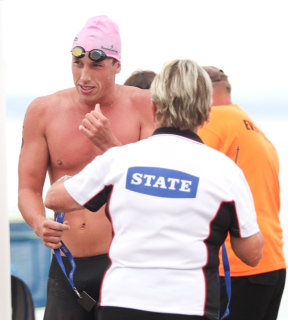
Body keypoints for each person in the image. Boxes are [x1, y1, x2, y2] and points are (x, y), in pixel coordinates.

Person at [44, 59, 264, 320]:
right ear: (207, 112)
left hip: (121, 303)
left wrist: (65, 178)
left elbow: (55, 199)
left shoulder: (120, 159)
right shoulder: (226, 172)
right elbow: (251, 255)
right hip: (189, 306)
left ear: (154, 106)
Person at [18, 15, 155, 320]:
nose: (84, 76)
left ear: (117, 65)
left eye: (96, 65)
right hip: (68, 266)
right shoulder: (43, 111)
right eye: (78, 64)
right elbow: (28, 188)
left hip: (124, 265)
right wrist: (39, 223)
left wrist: (111, 145)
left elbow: (154, 184)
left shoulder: (146, 106)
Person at [198, 66, 286, 320]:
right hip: (271, 260)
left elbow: (181, 170)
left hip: (235, 265)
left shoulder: (212, 122)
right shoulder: (256, 130)